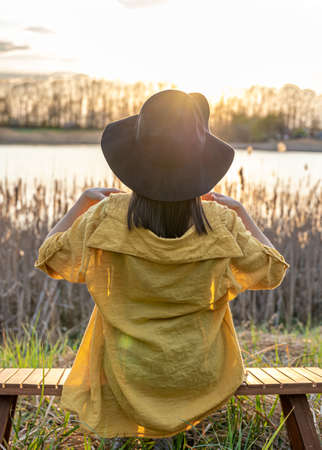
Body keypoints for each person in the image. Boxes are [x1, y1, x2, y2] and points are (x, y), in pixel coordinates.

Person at [34, 90, 289, 449]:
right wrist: (242, 213)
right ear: (200, 167)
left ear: (136, 160)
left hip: (123, 374)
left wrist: (82, 202)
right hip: (199, 375)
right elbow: (273, 270)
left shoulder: (106, 215)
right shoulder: (221, 222)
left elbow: (50, 258)